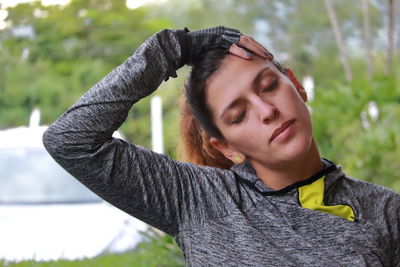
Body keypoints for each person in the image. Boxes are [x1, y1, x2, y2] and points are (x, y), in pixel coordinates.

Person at [43, 26, 400, 266]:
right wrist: (175, 47)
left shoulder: (386, 211)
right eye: (238, 114)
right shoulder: (197, 199)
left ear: (296, 85)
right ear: (227, 147)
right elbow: (71, 140)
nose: (267, 111)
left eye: (268, 86)